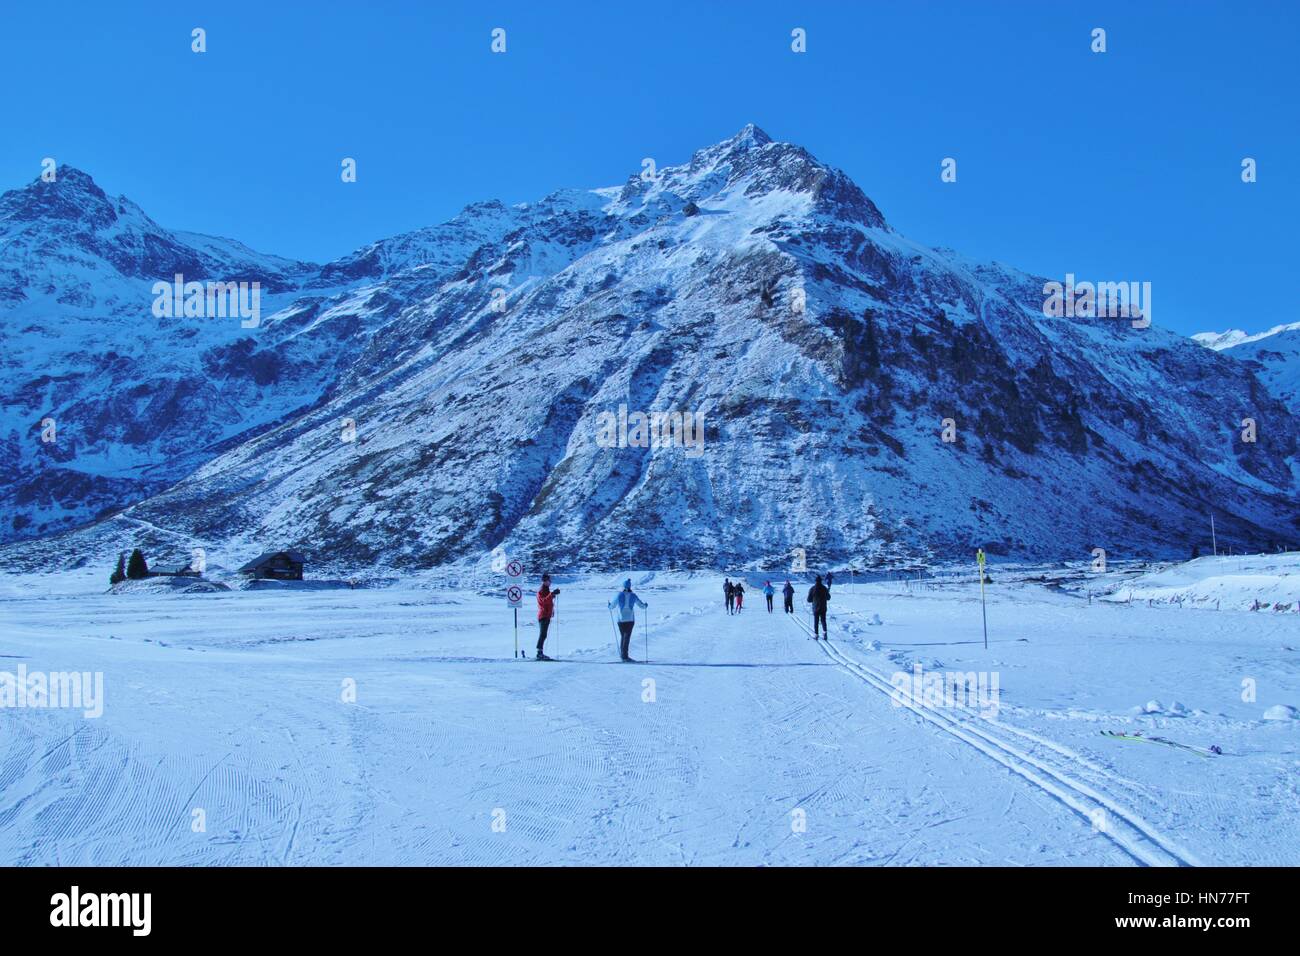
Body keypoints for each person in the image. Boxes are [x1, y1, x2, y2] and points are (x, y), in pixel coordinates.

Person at [609, 579, 648, 661]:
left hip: (621, 620)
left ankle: (623, 655)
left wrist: (609, 606)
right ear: (630, 586)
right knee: (627, 637)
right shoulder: (633, 595)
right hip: (630, 620)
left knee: (623, 637)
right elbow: (641, 605)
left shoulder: (619, 595)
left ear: (623, 586)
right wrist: (645, 605)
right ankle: (625, 656)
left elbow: (612, 606)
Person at [535, 573, 561, 660]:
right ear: (545, 581)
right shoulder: (542, 590)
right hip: (543, 615)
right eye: (549, 580)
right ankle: (539, 653)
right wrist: (552, 594)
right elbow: (543, 601)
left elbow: (548, 600)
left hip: (546, 615)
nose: (550, 582)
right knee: (543, 634)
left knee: (544, 634)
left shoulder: (546, 590)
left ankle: (540, 652)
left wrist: (553, 594)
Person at [806, 574, 830, 639]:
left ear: (815, 581)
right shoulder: (824, 588)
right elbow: (828, 597)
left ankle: (816, 635)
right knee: (823, 620)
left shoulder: (812, 589)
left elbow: (808, 600)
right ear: (821, 581)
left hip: (815, 608)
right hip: (823, 607)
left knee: (816, 621)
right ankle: (825, 633)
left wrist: (813, 600)